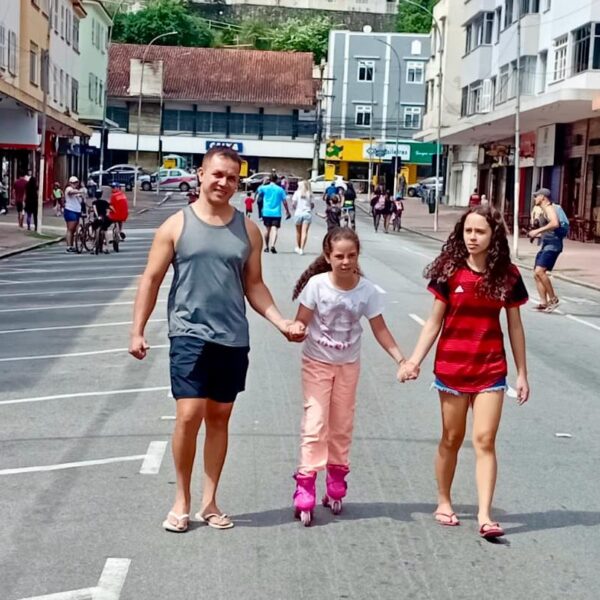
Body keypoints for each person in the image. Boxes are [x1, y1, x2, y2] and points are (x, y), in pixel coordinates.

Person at [129, 146, 304, 533]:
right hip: (189, 333)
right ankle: (181, 500)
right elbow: (151, 280)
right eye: (217, 174)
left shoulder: (248, 230)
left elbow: (254, 285)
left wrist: (281, 322)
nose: (224, 183)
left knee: (220, 417)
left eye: (232, 178)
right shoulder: (175, 226)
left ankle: (210, 502)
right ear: (201, 174)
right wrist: (137, 330)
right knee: (189, 414)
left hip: (232, 337)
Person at [400, 205, 529, 540]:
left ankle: (485, 515)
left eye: (480, 232)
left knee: (485, 440)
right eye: (468, 231)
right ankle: (444, 501)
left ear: (493, 235)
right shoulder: (449, 271)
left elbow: (515, 327)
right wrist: (413, 361)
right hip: (452, 368)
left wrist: (522, 373)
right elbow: (434, 322)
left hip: (491, 368)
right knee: (452, 438)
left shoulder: (508, 276)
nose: (472, 237)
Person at [288, 227, 410, 526]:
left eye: (351, 256)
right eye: (339, 256)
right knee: (316, 423)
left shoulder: (366, 291)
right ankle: (306, 483)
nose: (345, 262)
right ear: (328, 257)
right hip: (317, 362)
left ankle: (336, 477)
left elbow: (380, 329)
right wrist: (296, 329)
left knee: (341, 424)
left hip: (347, 365)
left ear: (358, 256)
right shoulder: (317, 285)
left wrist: (401, 360)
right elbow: (301, 321)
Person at [527, 188, 563, 312]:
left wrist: (537, 231)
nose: (535, 198)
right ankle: (543, 302)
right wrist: (536, 234)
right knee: (536, 274)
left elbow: (555, 223)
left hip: (553, 245)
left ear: (543, 197)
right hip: (547, 244)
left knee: (540, 271)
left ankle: (553, 299)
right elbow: (549, 228)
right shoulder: (543, 209)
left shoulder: (549, 208)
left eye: (536, 196)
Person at [261, 173, 291, 254]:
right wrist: (287, 211)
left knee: (267, 229)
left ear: (270, 179)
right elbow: (284, 202)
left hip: (266, 212)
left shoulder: (264, 188)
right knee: (274, 229)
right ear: (276, 180)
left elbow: (258, 191)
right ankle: (273, 245)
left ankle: (266, 247)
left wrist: (264, 182)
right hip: (276, 213)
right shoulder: (280, 189)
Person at [292, 179, 314, 255]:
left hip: (298, 213)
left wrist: (295, 208)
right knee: (304, 232)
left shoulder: (297, 193)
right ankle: (302, 248)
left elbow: (293, 204)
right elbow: (312, 204)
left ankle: (298, 247)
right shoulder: (310, 194)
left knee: (298, 232)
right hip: (307, 213)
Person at [64, 176, 85, 252]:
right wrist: (79, 192)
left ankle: (72, 245)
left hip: (77, 211)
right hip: (70, 210)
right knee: (70, 229)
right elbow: (70, 192)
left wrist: (81, 195)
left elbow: (81, 201)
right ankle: (68, 246)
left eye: (76, 182)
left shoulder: (77, 190)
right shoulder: (68, 189)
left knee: (74, 230)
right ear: (70, 183)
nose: (75, 184)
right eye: (73, 183)